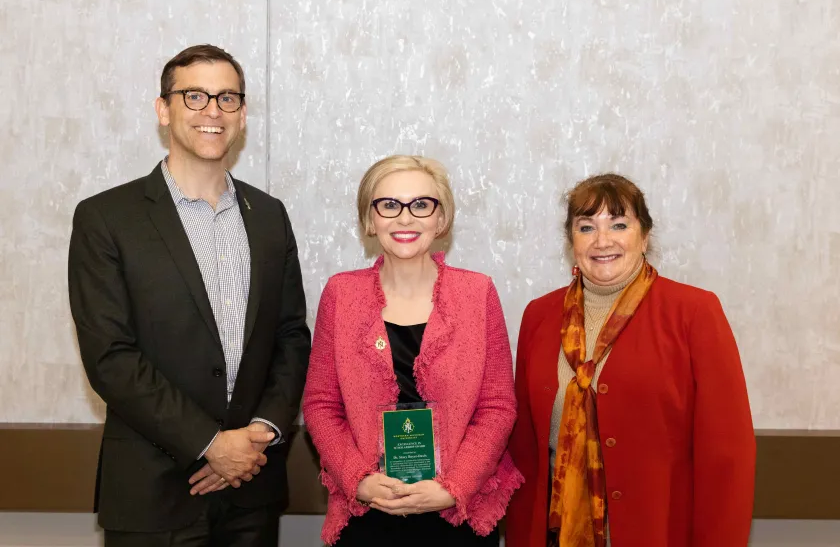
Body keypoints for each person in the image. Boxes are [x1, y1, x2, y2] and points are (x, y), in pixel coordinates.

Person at [68, 44, 311, 546]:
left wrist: (256, 436)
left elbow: (291, 336)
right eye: (195, 96)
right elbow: (110, 357)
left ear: (242, 115)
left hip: (252, 487)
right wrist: (209, 444)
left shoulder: (268, 216)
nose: (212, 112)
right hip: (153, 492)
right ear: (164, 109)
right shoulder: (107, 219)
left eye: (226, 99)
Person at [505, 173, 755, 547]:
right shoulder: (539, 316)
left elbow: (727, 454)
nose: (602, 240)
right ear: (571, 240)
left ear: (645, 235)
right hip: (557, 533)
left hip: (658, 531)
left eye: (619, 224)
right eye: (586, 227)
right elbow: (524, 449)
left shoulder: (694, 312)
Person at [302, 155, 523, 546]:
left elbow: (497, 406)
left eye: (421, 205)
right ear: (370, 220)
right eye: (389, 205)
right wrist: (360, 481)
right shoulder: (340, 294)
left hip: (456, 514)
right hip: (369, 511)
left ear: (441, 220)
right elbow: (320, 404)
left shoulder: (477, 293)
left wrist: (453, 487)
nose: (405, 218)